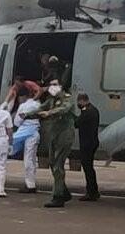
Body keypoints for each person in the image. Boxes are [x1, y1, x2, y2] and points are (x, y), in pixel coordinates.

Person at [37, 78, 76, 208]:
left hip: (64, 137)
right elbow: (40, 108)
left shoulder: (67, 99)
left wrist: (48, 113)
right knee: (53, 163)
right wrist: (26, 114)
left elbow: (63, 109)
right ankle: (64, 191)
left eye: (54, 85)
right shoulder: (51, 100)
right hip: (54, 136)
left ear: (61, 87)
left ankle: (58, 197)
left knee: (58, 166)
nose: (51, 87)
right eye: (50, 85)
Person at [12, 86, 42, 193]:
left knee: (28, 159)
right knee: (32, 159)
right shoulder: (38, 104)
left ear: (23, 96)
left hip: (27, 133)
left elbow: (16, 122)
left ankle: (30, 185)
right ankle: (31, 182)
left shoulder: (23, 106)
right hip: (35, 133)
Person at [75, 93, 101, 201]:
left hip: (87, 143)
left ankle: (91, 192)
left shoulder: (87, 111)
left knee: (88, 168)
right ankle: (93, 191)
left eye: (78, 102)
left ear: (83, 101)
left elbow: (77, 123)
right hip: (92, 142)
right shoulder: (93, 109)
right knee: (89, 167)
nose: (78, 104)